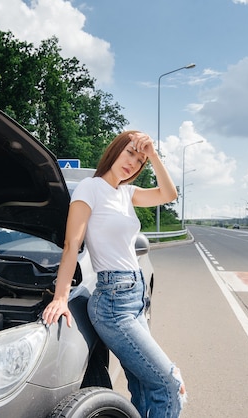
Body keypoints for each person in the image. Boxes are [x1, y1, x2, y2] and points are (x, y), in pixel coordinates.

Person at [42, 130, 187, 417]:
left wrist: (154, 155)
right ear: (115, 151)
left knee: (145, 385)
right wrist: (61, 297)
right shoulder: (90, 187)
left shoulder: (127, 193)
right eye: (129, 153)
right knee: (169, 383)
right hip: (113, 303)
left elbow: (169, 194)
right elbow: (72, 243)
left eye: (140, 160)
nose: (133, 162)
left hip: (135, 297)